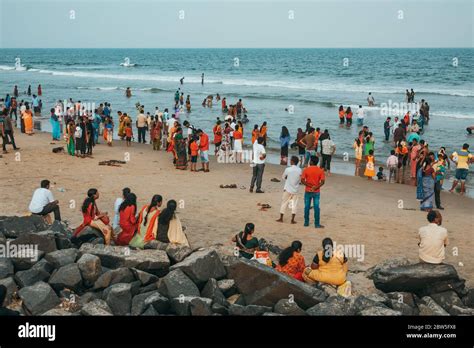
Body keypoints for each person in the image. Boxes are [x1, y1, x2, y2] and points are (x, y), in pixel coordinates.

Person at [301, 155, 325, 228]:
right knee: (316, 207)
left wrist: (310, 186)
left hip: (308, 190)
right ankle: (317, 224)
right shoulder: (320, 170)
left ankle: (306, 222)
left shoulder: (306, 170)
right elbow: (323, 182)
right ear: (317, 162)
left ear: (311, 162)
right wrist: (315, 187)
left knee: (307, 207)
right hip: (316, 191)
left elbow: (302, 180)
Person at [277, 156, 302, 224]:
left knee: (284, 203)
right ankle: (292, 220)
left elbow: (283, 177)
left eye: (291, 160)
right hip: (295, 189)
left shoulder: (288, 169)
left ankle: (281, 218)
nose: (290, 161)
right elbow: (300, 179)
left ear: (292, 161)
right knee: (294, 204)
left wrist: (288, 178)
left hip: (287, 188)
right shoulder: (299, 170)